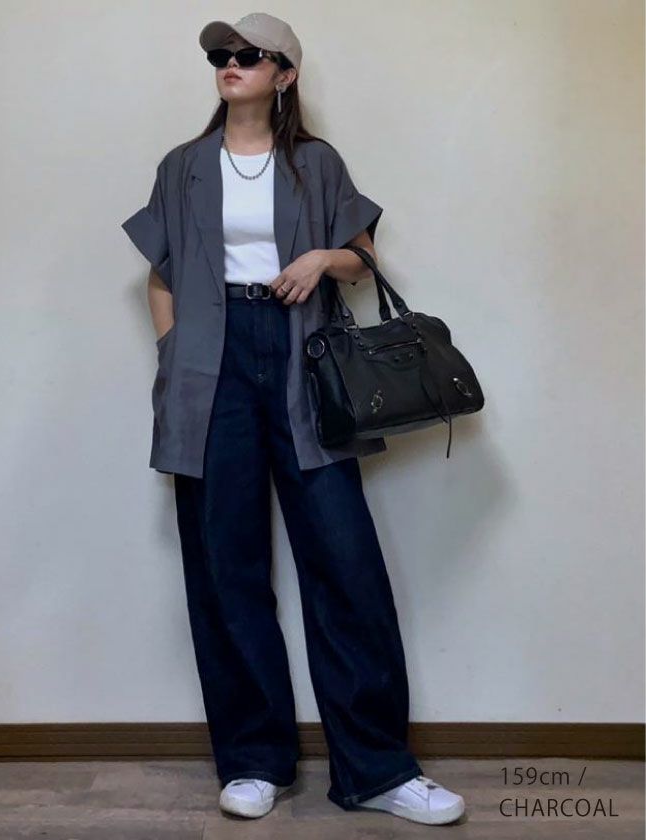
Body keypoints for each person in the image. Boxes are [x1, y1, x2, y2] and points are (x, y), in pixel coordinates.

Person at [122, 11, 466, 827]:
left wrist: (320, 258)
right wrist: (174, 356)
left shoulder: (316, 163)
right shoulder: (183, 166)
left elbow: (362, 258)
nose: (231, 63)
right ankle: (253, 760)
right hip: (209, 364)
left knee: (344, 561)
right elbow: (161, 275)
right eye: (222, 53)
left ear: (286, 74)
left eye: (250, 54)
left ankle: (378, 769)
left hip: (300, 355)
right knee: (226, 567)